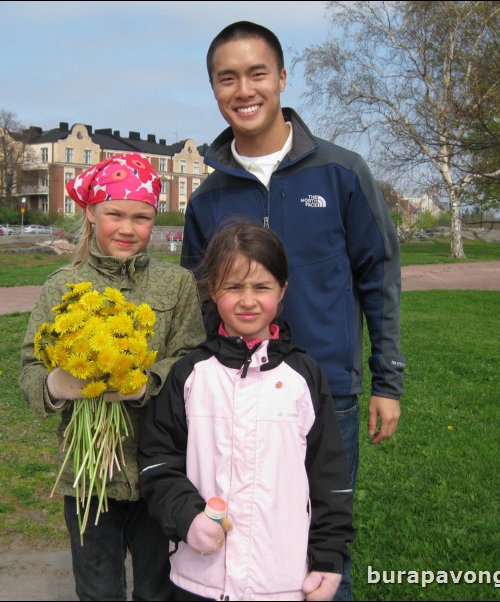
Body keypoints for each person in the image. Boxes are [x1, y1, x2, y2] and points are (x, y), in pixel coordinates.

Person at [180, 21, 406, 600]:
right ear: (213, 89)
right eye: (226, 78)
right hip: (237, 400)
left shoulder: (341, 172)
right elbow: (200, 302)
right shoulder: (208, 198)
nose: (243, 89)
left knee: (324, 554)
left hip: (329, 392)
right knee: (246, 543)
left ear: (281, 77)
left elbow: (377, 277)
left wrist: (387, 381)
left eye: (257, 73)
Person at [19, 152, 206, 601]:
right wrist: (54, 385)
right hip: (88, 478)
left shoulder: (176, 284)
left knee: (158, 590)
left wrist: (147, 383)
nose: (127, 228)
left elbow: (192, 359)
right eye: (114, 214)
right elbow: (30, 365)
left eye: (141, 217)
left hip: (160, 473)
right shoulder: (62, 286)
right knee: (98, 590)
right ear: (90, 213)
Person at [139, 221, 354, 601]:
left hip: (282, 582)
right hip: (198, 579)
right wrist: (187, 518)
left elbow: (330, 479)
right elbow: (158, 463)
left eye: (262, 287)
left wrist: (329, 556)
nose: (248, 300)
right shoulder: (188, 375)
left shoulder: (305, 378)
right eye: (234, 287)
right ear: (212, 291)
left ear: (282, 291)